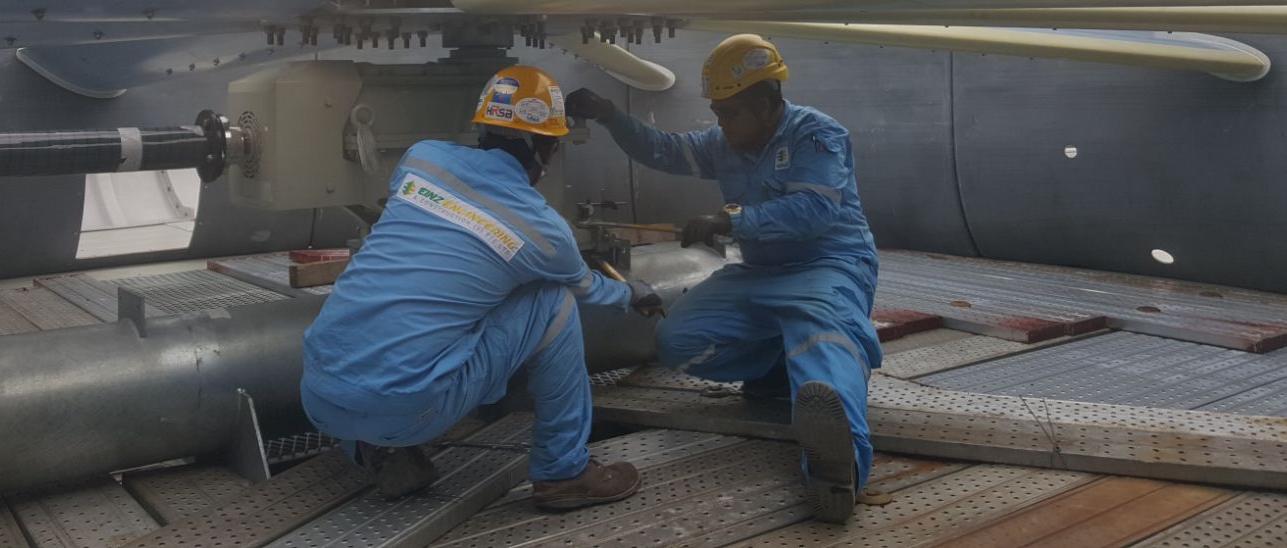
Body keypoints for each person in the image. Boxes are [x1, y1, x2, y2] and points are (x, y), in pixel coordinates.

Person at [301, 65, 661, 508]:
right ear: (546, 147)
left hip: (317, 395)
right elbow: (592, 292)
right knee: (553, 299)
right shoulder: (546, 233)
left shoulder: (421, 158)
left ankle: (381, 450)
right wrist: (634, 293)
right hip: (409, 411)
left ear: (484, 127)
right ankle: (564, 471)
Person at [566, 35, 881, 523]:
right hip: (759, 273)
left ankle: (838, 474)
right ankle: (775, 371)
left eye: (729, 112)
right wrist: (610, 115)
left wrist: (730, 219)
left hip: (828, 266)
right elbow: (666, 150)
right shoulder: (725, 142)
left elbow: (816, 211)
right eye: (716, 113)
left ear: (766, 102)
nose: (720, 123)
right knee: (676, 340)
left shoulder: (816, 134)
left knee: (824, 346)